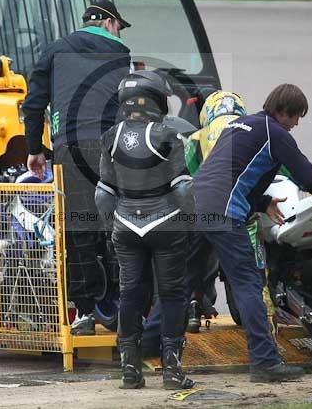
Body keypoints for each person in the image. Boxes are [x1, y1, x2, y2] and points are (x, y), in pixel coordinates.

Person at [192, 83, 312, 383]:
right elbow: (302, 170)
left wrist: (261, 202)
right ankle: (265, 363)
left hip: (197, 204)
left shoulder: (241, 123)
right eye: (297, 116)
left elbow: (228, 171)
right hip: (224, 212)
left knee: (181, 281)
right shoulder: (275, 132)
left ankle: (144, 346)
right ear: (283, 111)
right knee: (248, 284)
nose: (297, 124)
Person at [22, 0, 132, 335]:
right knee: (119, 225)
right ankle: (124, 307)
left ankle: (84, 313)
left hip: (69, 148)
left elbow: (34, 103)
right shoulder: (121, 55)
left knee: (78, 229)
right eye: (119, 26)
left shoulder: (54, 51)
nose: (120, 33)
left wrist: (34, 150)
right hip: (112, 145)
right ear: (108, 22)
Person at [95, 71, 194, 389]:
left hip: (124, 225)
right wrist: (191, 219)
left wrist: (111, 226)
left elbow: (102, 194)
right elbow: (182, 192)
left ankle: (129, 369)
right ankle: (172, 370)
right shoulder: (169, 136)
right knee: (171, 294)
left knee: (129, 294)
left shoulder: (110, 137)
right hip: (166, 225)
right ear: (159, 101)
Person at [141, 90, 247, 355]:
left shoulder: (196, 138)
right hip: (237, 210)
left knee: (178, 279)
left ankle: (149, 344)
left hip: (196, 213)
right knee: (246, 279)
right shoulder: (244, 131)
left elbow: (184, 177)